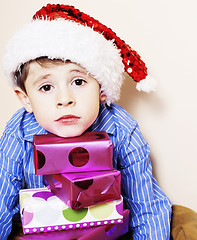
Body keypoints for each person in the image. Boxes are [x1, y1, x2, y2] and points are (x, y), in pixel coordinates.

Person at [0, 4, 172, 239]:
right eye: (46, 87)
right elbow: (1, 202)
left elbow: (148, 207)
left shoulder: (121, 128)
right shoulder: (19, 131)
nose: (65, 99)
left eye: (78, 82)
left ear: (102, 88)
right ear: (25, 99)